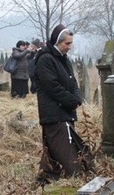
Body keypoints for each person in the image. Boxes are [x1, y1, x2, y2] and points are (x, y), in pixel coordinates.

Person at [34, 24, 91, 184]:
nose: (70, 47)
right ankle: (75, 180)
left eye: (71, 43)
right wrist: (72, 102)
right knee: (66, 152)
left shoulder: (62, 59)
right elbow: (53, 87)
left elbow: (72, 83)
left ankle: (47, 178)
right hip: (55, 114)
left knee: (53, 151)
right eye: (67, 43)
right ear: (57, 42)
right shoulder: (46, 60)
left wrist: (77, 97)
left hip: (63, 112)